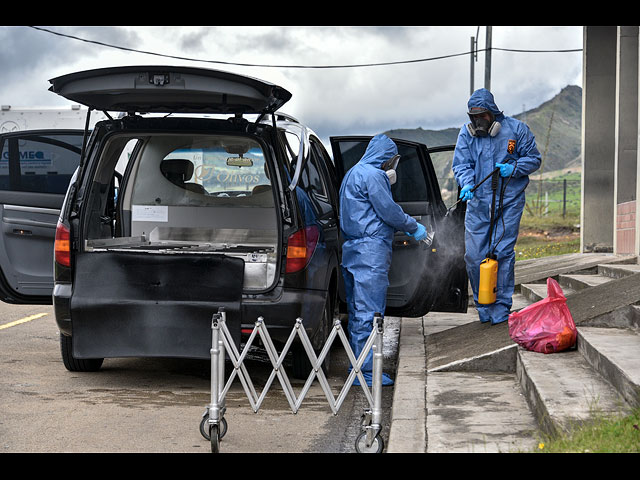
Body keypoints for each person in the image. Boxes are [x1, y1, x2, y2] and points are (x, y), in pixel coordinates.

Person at [339, 134, 427, 386]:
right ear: (387, 158)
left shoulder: (352, 173)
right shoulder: (374, 176)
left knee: (357, 313)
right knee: (371, 312)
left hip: (352, 249)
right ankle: (365, 373)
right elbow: (388, 211)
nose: (392, 167)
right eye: (392, 161)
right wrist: (413, 226)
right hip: (370, 251)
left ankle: (357, 366)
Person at [452, 88, 541, 325]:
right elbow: (461, 164)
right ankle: (483, 304)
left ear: (492, 113)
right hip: (479, 202)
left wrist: (516, 168)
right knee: (473, 256)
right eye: (473, 117)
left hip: (509, 201)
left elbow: (534, 159)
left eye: (482, 116)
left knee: (502, 253)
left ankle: (501, 305)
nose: (478, 121)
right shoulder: (467, 134)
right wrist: (467, 184)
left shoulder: (517, 130)